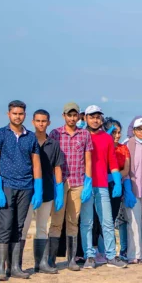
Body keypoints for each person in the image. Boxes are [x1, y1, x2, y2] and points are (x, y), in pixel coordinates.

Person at [0, 100, 43, 281]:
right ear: (8, 114)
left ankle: (16, 267)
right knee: (5, 226)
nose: (17, 116)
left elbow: (36, 164)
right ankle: (1, 269)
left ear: (24, 115)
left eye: (21, 114)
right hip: (7, 186)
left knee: (19, 228)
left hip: (26, 187)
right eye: (14, 113)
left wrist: (38, 188)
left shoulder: (31, 137)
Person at [79, 105, 127, 270]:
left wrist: (117, 180)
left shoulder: (107, 138)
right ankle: (89, 256)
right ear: (86, 118)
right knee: (87, 222)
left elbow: (112, 162)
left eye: (98, 117)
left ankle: (111, 255)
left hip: (102, 185)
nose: (95, 120)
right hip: (86, 185)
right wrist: (85, 183)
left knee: (107, 221)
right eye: (92, 117)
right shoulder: (82, 135)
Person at [49, 102, 93, 272]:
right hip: (60, 182)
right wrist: (56, 184)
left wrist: (88, 181)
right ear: (64, 116)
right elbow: (52, 158)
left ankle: (71, 260)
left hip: (78, 183)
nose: (72, 118)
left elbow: (88, 159)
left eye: (75, 115)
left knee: (73, 221)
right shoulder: (55, 134)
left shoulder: (84, 135)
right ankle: (51, 259)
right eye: (69, 115)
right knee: (56, 221)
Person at [20, 109, 64, 274]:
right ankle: (17, 265)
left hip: (47, 190)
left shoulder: (53, 144)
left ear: (49, 123)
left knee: (42, 227)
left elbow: (57, 168)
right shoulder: (27, 140)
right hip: (26, 190)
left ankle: (41, 263)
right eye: (38, 121)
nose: (41, 124)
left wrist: (59, 190)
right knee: (23, 227)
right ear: (33, 122)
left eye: (44, 121)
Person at [92, 118, 132, 262]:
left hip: (115, 185)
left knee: (111, 218)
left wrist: (114, 178)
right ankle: (97, 250)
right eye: (113, 132)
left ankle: (108, 251)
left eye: (119, 132)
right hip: (99, 185)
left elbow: (126, 169)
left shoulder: (123, 148)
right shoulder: (101, 145)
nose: (117, 135)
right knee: (96, 218)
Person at [125, 117, 142, 264]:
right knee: (133, 223)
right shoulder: (127, 145)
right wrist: (127, 187)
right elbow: (125, 168)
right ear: (134, 130)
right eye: (139, 129)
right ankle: (132, 255)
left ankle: (140, 254)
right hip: (132, 190)